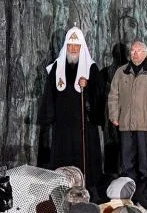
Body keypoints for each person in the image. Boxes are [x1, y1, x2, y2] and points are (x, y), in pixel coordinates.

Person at [39, 28, 104, 185]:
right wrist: (49, 117)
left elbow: (99, 94)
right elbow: (50, 94)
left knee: (84, 157)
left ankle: (86, 185)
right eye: (70, 45)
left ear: (82, 47)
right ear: (66, 47)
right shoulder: (57, 67)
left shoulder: (91, 68)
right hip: (62, 124)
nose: (73, 49)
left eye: (76, 46)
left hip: (83, 124)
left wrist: (87, 85)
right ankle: (61, 184)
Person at [108, 40, 147, 180]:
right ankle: (128, 186)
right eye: (132, 51)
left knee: (145, 160)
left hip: (146, 122)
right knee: (126, 159)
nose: (135, 54)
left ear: (146, 53)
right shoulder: (121, 72)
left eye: (138, 51)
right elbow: (113, 95)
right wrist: (114, 115)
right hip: (125, 122)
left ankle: (145, 187)